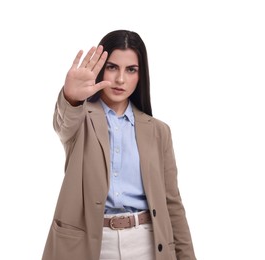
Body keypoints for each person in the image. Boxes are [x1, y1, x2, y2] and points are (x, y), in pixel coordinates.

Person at [42, 29, 196, 260]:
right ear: (101, 68)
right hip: (92, 245)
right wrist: (71, 98)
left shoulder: (159, 131)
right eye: (112, 67)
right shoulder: (80, 118)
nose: (120, 79)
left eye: (131, 70)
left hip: (148, 243)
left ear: (141, 75)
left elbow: (172, 204)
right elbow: (63, 123)